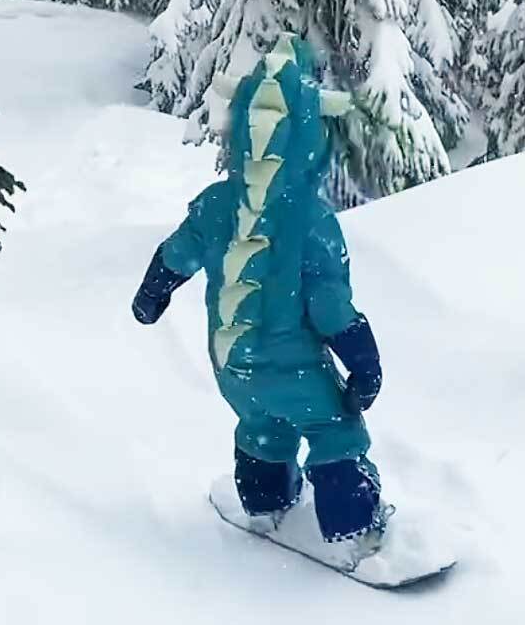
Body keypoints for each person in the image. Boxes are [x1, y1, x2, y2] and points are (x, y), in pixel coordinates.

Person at [130, 33, 389, 560]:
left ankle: (265, 501)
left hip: (230, 367)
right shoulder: (312, 220)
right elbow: (330, 307)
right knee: (334, 426)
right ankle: (354, 530)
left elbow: (176, 255)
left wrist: (151, 295)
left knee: (261, 424)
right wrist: (364, 364)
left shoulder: (215, 203)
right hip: (288, 366)